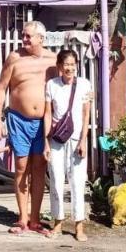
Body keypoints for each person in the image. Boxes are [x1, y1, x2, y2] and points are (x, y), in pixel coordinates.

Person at [0, 20, 56, 235]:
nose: (24, 39)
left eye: (29, 36)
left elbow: (64, 88)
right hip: (18, 120)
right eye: (23, 35)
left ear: (41, 38)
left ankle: (35, 219)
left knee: (39, 169)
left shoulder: (53, 60)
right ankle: (22, 218)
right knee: (21, 168)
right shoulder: (14, 58)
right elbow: (1, 89)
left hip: (42, 123)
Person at [44, 49, 93, 241]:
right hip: (56, 139)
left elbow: (86, 114)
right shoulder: (51, 85)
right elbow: (48, 114)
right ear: (59, 67)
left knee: (78, 182)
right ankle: (57, 223)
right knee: (56, 181)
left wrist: (83, 140)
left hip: (76, 140)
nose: (70, 68)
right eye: (66, 64)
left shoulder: (84, 85)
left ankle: (79, 226)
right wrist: (46, 142)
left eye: (73, 64)